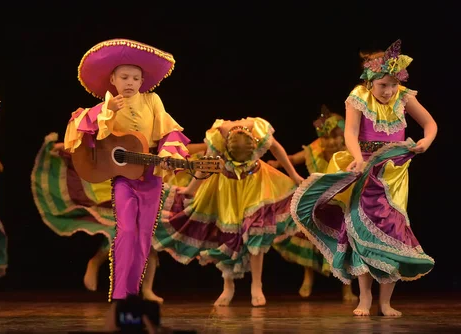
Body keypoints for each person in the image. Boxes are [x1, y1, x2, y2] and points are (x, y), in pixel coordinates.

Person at [290, 39, 437, 316]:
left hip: (394, 172)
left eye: (393, 85)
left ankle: (386, 301)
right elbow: (350, 132)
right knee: (362, 231)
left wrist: (426, 141)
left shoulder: (403, 96)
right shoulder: (358, 96)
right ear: (370, 81)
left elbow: (430, 124)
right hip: (365, 170)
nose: (389, 91)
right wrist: (357, 157)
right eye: (383, 86)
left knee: (394, 231)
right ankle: (365, 298)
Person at [62, 38, 190, 302]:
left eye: (135, 78)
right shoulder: (106, 105)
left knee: (143, 237)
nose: (130, 82)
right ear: (113, 80)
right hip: (124, 178)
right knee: (127, 231)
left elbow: (169, 132)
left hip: (151, 177)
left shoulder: (153, 100)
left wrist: (167, 154)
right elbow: (80, 128)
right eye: (124, 77)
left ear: (142, 81)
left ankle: (132, 293)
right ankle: (120, 294)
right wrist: (105, 110)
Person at [153, 117, 304, 306]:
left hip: (256, 182)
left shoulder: (259, 129)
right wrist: (191, 189)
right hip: (227, 185)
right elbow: (206, 164)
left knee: (256, 230)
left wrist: (294, 175)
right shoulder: (219, 136)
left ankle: (256, 285)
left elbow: (276, 149)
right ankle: (228, 285)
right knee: (227, 234)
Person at [267, 106, 357, 301]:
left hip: (342, 204)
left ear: (343, 137)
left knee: (344, 244)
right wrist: (278, 163)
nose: (330, 142)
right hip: (317, 204)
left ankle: (347, 287)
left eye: (335, 138)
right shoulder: (315, 149)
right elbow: (293, 158)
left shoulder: (349, 152)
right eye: (325, 138)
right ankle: (308, 277)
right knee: (308, 234)